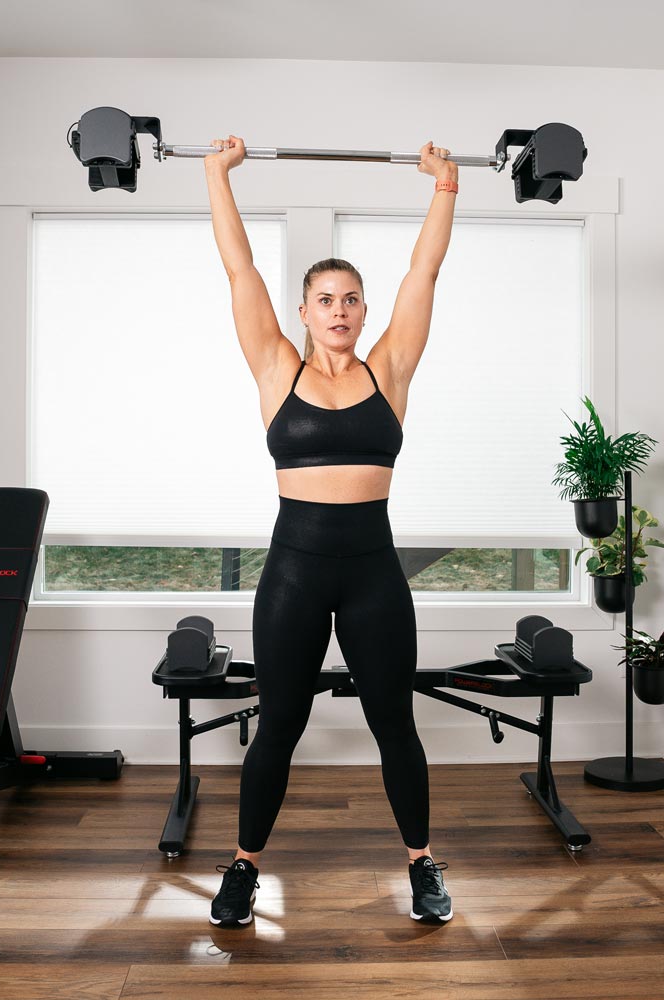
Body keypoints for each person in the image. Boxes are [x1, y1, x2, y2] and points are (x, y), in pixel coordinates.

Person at [204, 134, 457, 927]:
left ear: (364, 310)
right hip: (295, 573)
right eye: (326, 299)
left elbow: (425, 273)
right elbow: (240, 269)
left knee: (395, 724)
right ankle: (244, 868)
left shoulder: (392, 370)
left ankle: (421, 864)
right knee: (278, 724)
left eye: (351, 298)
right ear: (305, 312)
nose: (340, 311)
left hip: (374, 571)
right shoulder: (278, 369)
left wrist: (444, 189)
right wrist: (217, 174)